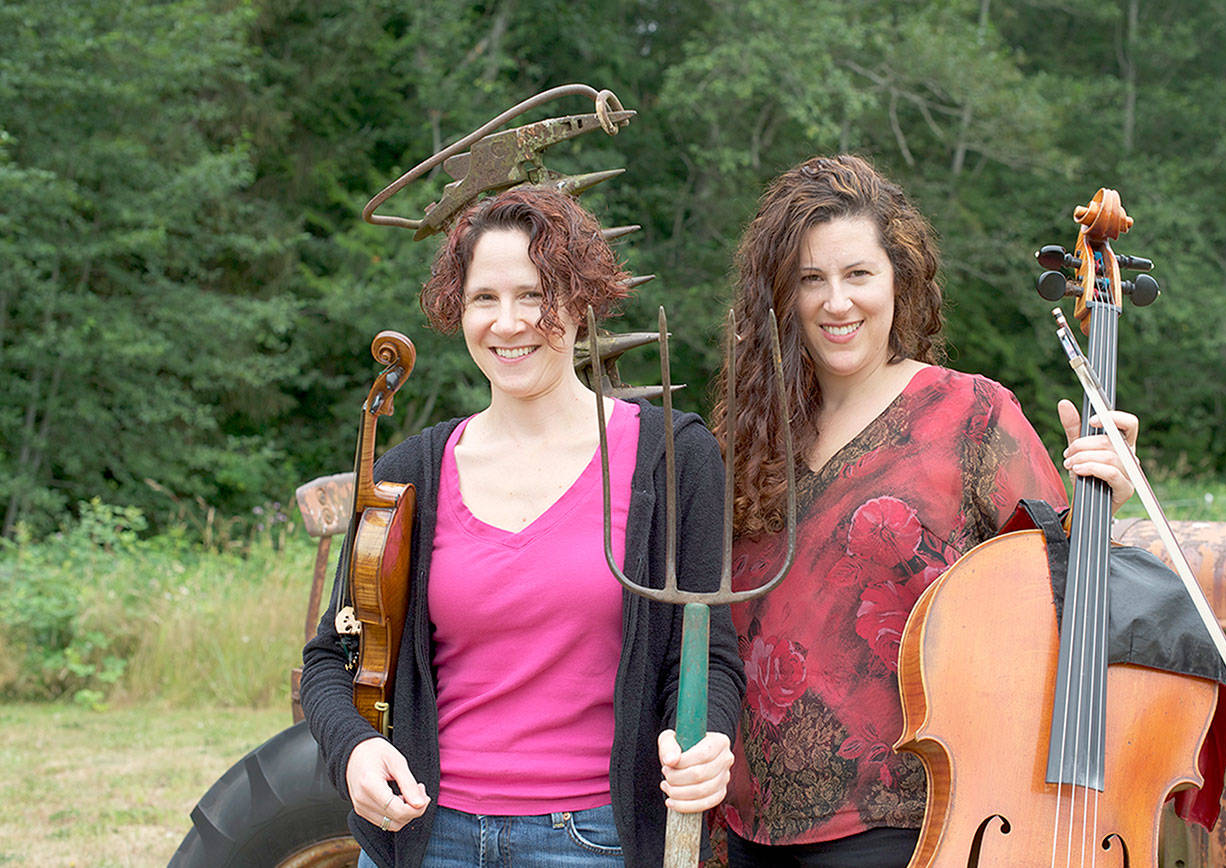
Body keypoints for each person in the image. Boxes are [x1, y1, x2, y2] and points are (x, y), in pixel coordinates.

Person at [711, 154, 1140, 867]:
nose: (835, 302)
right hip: (747, 828)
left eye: (857, 275)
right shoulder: (753, 435)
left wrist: (1103, 503)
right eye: (810, 279)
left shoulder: (972, 415)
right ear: (780, 295)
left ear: (898, 279)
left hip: (911, 825)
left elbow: (1061, 603)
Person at [300, 186, 744, 868]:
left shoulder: (671, 460)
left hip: (594, 841)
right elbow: (331, 658)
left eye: (536, 295)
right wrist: (354, 749)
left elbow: (708, 652)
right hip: (426, 837)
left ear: (582, 299)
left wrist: (708, 738)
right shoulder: (409, 473)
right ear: (459, 308)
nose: (510, 323)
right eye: (485, 298)